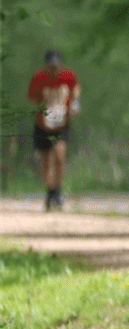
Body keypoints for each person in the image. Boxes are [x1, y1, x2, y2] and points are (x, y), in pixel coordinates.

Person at [28, 50, 80, 212]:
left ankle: (58, 192)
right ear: (46, 66)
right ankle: (50, 193)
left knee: (60, 154)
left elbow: (75, 88)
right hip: (43, 124)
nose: (53, 70)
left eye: (56, 67)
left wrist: (75, 103)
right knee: (46, 160)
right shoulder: (39, 77)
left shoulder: (68, 76)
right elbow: (32, 97)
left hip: (62, 123)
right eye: (51, 67)